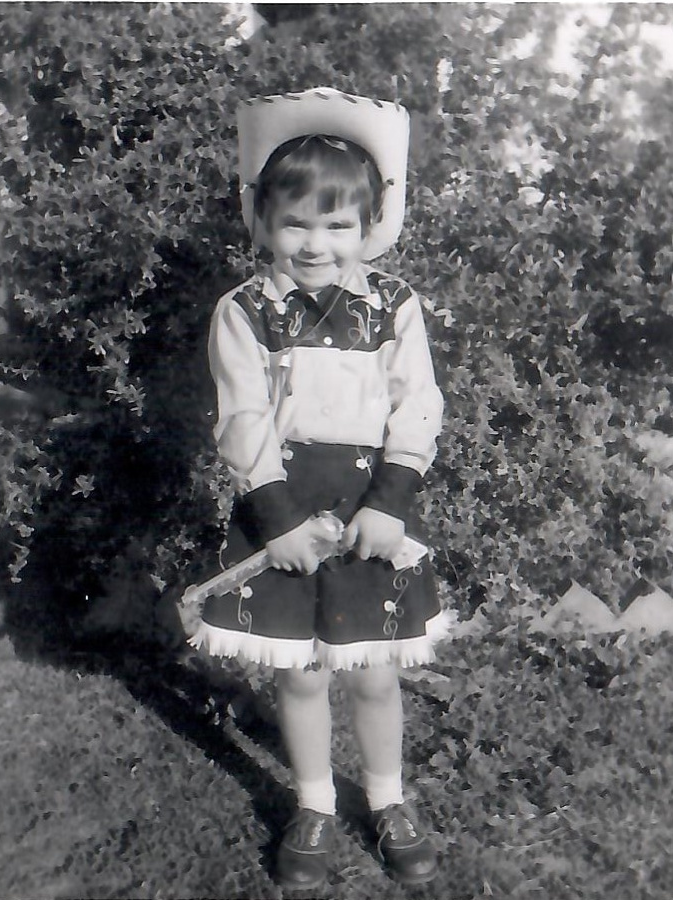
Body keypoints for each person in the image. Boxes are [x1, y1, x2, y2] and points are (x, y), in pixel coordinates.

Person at [189, 86, 452, 889]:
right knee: (300, 673)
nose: (314, 243)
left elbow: (418, 406)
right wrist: (278, 522)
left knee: (373, 672)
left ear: (368, 226)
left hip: (371, 508)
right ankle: (312, 806)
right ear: (263, 222)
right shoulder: (243, 312)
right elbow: (243, 421)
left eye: (337, 225)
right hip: (287, 511)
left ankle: (386, 798)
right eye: (295, 223)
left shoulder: (394, 306)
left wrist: (389, 504)